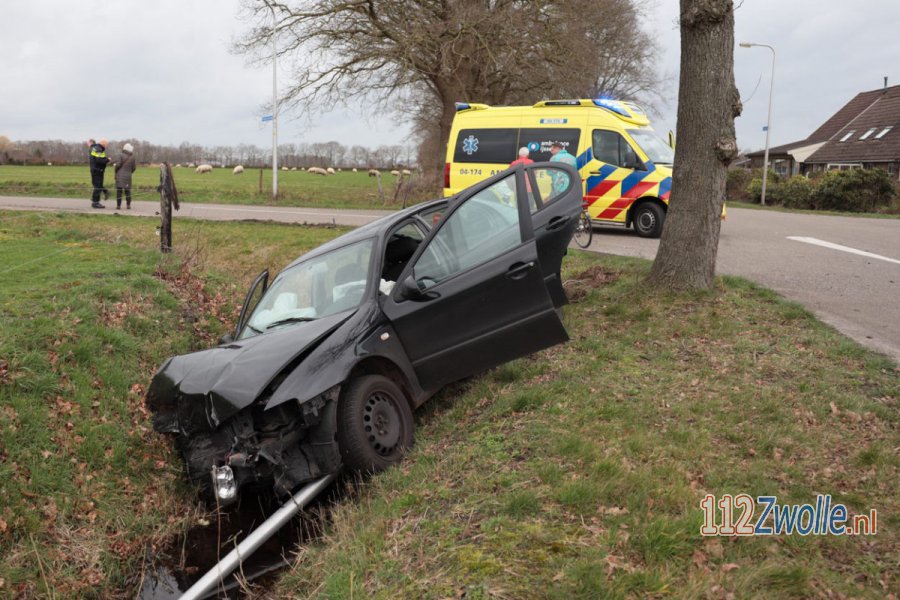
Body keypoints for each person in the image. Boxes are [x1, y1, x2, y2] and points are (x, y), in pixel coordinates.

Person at [89, 138, 110, 208]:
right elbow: (99, 160)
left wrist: (105, 160)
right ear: (103, 144)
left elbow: (99, 159)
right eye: (106, 144)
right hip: (97, 170)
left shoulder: (96, 148)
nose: (106, 146)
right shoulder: (99, 149)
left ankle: (95, 200)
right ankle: (95, 203)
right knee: (97, 186)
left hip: (96, 170)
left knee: (98, 186)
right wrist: (107, 160)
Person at [114, 143, 136, 209]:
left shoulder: (120, 155)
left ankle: (118, 206)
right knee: (127, 191)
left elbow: (118, 165)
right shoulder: (132, 157)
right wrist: (129, 172)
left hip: (119, 176)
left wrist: (115, 169)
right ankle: (128, 205)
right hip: (128, 176)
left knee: (119, 191)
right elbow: (134, 168)